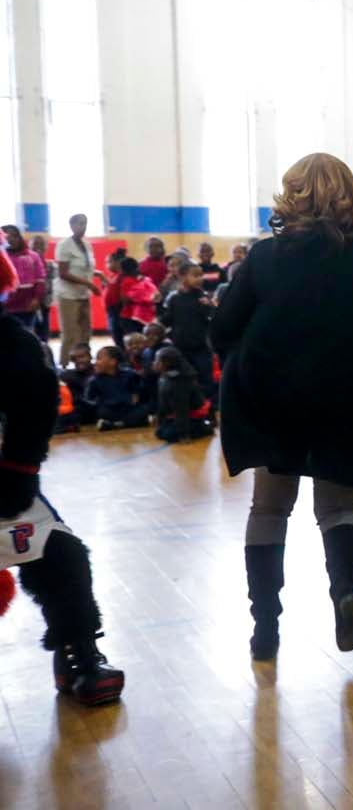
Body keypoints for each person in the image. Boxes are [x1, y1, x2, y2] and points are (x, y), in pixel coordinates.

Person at [212, 153, 353, 661]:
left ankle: (265, 626)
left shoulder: (264, 256)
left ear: (293, 194)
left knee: (269, 508)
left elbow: (222, 330)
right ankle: (345, 592)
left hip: (273, 399)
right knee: (340, 507)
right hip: (349, 396)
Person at [0, 248, 125, 705]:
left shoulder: (11, 341)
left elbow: (37, 403)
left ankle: (80, 652)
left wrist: (18, 470)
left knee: (65, 556)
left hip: (5, 487)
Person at [160, 261, 215, 406]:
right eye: (195, 275)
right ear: (182, 277)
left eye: (201, 275)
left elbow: (211, 318)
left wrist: (209, 307)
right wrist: (158, 310)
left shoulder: (203, 298)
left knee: (205, 376)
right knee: (184, 377)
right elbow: (167, 319)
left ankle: (208, 406)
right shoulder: (174, 298)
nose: (200, 279)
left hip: (201, 346)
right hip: (181, 347)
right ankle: (189, 405)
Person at [53, 214, 99, 357]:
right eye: (79, 224)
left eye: (84, 223)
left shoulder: (87, 244)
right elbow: (63, 273)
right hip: (67, 295)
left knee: (86, 331)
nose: (82, 227)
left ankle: (84, 362)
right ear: (71, 225)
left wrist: (100, 275)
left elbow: (85, 268)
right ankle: (65, 364)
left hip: (83, 294)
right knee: (70, 333)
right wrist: (89, 284)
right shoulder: (64, 244)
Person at [153, 346, 213, 443]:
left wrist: (183, 435)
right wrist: (160, 419)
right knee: (160, 432)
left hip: (193, 417)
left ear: (167, 363)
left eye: (157, 361)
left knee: (167, 434)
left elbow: (182, 410)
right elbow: (162, 403)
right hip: (177, 415)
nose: (154, 363)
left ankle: (205, 427)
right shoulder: (164, 377)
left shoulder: (180, 383)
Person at [85, 346, 150, 431]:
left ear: (113, 362)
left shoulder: (129, 374)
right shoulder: (94, 380)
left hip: (127, 408)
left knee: (143, 410)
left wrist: (136, 396)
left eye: (99, 359)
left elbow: (138, 391)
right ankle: (123, 423)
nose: (95, 363)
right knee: (102, 412)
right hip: (109, 410)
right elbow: (89, 398)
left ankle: (115, 425)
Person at [1, 225, 46, 336]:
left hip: (27, 305)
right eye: (7, 237)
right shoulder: (2, 258)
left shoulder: (33, 256)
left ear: (20, 238)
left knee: (27, 335)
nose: (11, 240)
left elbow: (40, 279)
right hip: (5, 307)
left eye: (15, 236)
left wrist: (36, 299)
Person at [59, 343, 98, 428]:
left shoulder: (99, 372)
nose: (78, 361)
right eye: (74, 358)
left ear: (90, 356)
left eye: (82, 357)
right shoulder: (67, 375)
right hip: (77, 411)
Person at [117, 257, 158, 335]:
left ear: (123, 270)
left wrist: (137, 298)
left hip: (130, 316)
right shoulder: (144, 280)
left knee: (134, 340)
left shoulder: (127, 281)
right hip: (138, 316)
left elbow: (125, 300)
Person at [29, 234, 54, 349]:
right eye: (35, 245)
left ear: (46, 247)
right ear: (29, 246)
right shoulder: (26, 263)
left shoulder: (50, 265)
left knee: (44, 331)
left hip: (45, 304)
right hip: (29, 304)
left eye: (41, 245)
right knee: (30, 330)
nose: (38, 248)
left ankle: (44, 354)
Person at [101, 249, 126, 347]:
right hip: (111, 310)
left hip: (118, 310)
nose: (107, 265)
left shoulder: (122, 276)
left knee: (118, 334)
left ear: (118, 262)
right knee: (113, 332)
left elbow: (117, 291)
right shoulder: (112, 275)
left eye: (109, 262)